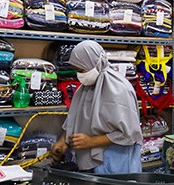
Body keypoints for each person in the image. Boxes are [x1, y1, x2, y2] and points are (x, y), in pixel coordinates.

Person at [51, 40, 143, 174]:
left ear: (94, 63)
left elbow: (129, 134)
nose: (79, 75)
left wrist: (91, 141)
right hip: (90, 166)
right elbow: (76, 119)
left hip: (116, 163)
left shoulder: (119, 89)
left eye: (81, 70)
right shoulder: (84, 89)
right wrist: (63, 141)